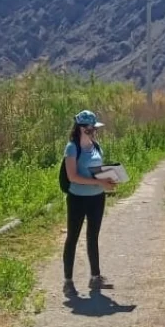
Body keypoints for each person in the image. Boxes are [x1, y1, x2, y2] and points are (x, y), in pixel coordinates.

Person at [62, 110, 116, 296]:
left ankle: (95, 277)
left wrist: (107, 180)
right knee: (72, 238)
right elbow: (73, 176)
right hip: (77, 199)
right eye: (92, 128)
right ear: (82, 128)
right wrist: (99, 182)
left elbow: (97, 170)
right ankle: (68, 281)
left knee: (93, 236)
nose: (95, 131)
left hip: (97, 198)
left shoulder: (96, 146)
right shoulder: (72, 148)